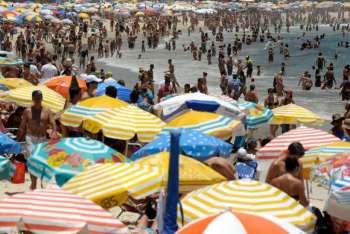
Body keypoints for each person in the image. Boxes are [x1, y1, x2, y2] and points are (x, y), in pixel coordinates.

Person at [17, 90, 57, 190]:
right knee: (32, 161)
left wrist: (54, 131)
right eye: (36, 98)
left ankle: (41, 182)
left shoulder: (47, 110)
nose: (38, 100)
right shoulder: (27, 111)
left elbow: (53, 123)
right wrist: (18, 138)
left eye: (40, 97)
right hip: (31, 138)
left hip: (43, 139)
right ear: (33, 99)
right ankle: (34, 183)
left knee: (41, 161)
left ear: (42, 98)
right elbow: (22, 126)